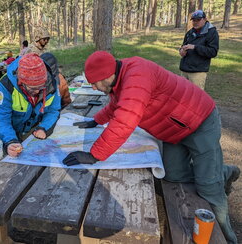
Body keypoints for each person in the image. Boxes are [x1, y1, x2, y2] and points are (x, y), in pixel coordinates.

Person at [63, 51, 240, 244]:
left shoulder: (137, 74)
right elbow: (117, 106)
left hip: (199, 121)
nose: (93, 87)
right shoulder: (120, 78)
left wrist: (94, 154)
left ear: (106, 75)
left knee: (209, 188)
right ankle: (220, 172)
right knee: (172, 175)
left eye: (94, 82)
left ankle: (229, 238)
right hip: (174, 130)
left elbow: (125, 120)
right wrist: (96, 120)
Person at [0, 53, 61, 157]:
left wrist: (43, 127)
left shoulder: (51, 84)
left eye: (41, 87)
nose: (37, 92)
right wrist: (10, 141)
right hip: (8, 131)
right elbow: (1, 118)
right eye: (32, 88)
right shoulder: (6, 86)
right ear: (21, 82)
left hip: (30, 131)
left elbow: (53, 110)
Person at [179, 10, 219, 90]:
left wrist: (195, 47)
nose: (195, 22)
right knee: (183, 95)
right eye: (194, 20)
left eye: (198, 20)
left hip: (198, 72)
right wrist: (181, 51)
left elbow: (212, 52)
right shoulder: (190, 32)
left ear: (205, 19)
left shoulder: (211, 32)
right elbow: (183, 45)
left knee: (196, 98)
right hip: (184, 70)